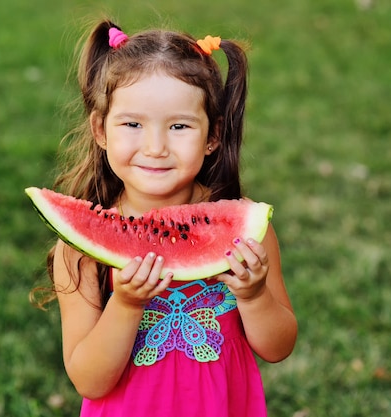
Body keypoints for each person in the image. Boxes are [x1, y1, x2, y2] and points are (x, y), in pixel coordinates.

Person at [42, 19, 298, 417]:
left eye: (179, 126)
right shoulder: (79, 253)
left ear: (212, 136)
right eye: (132, 124)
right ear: (100, 129)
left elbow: (278, 348)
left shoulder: (247, 235)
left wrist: (253, 294)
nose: (156, 147)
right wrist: (126, 304)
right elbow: (90, 381)